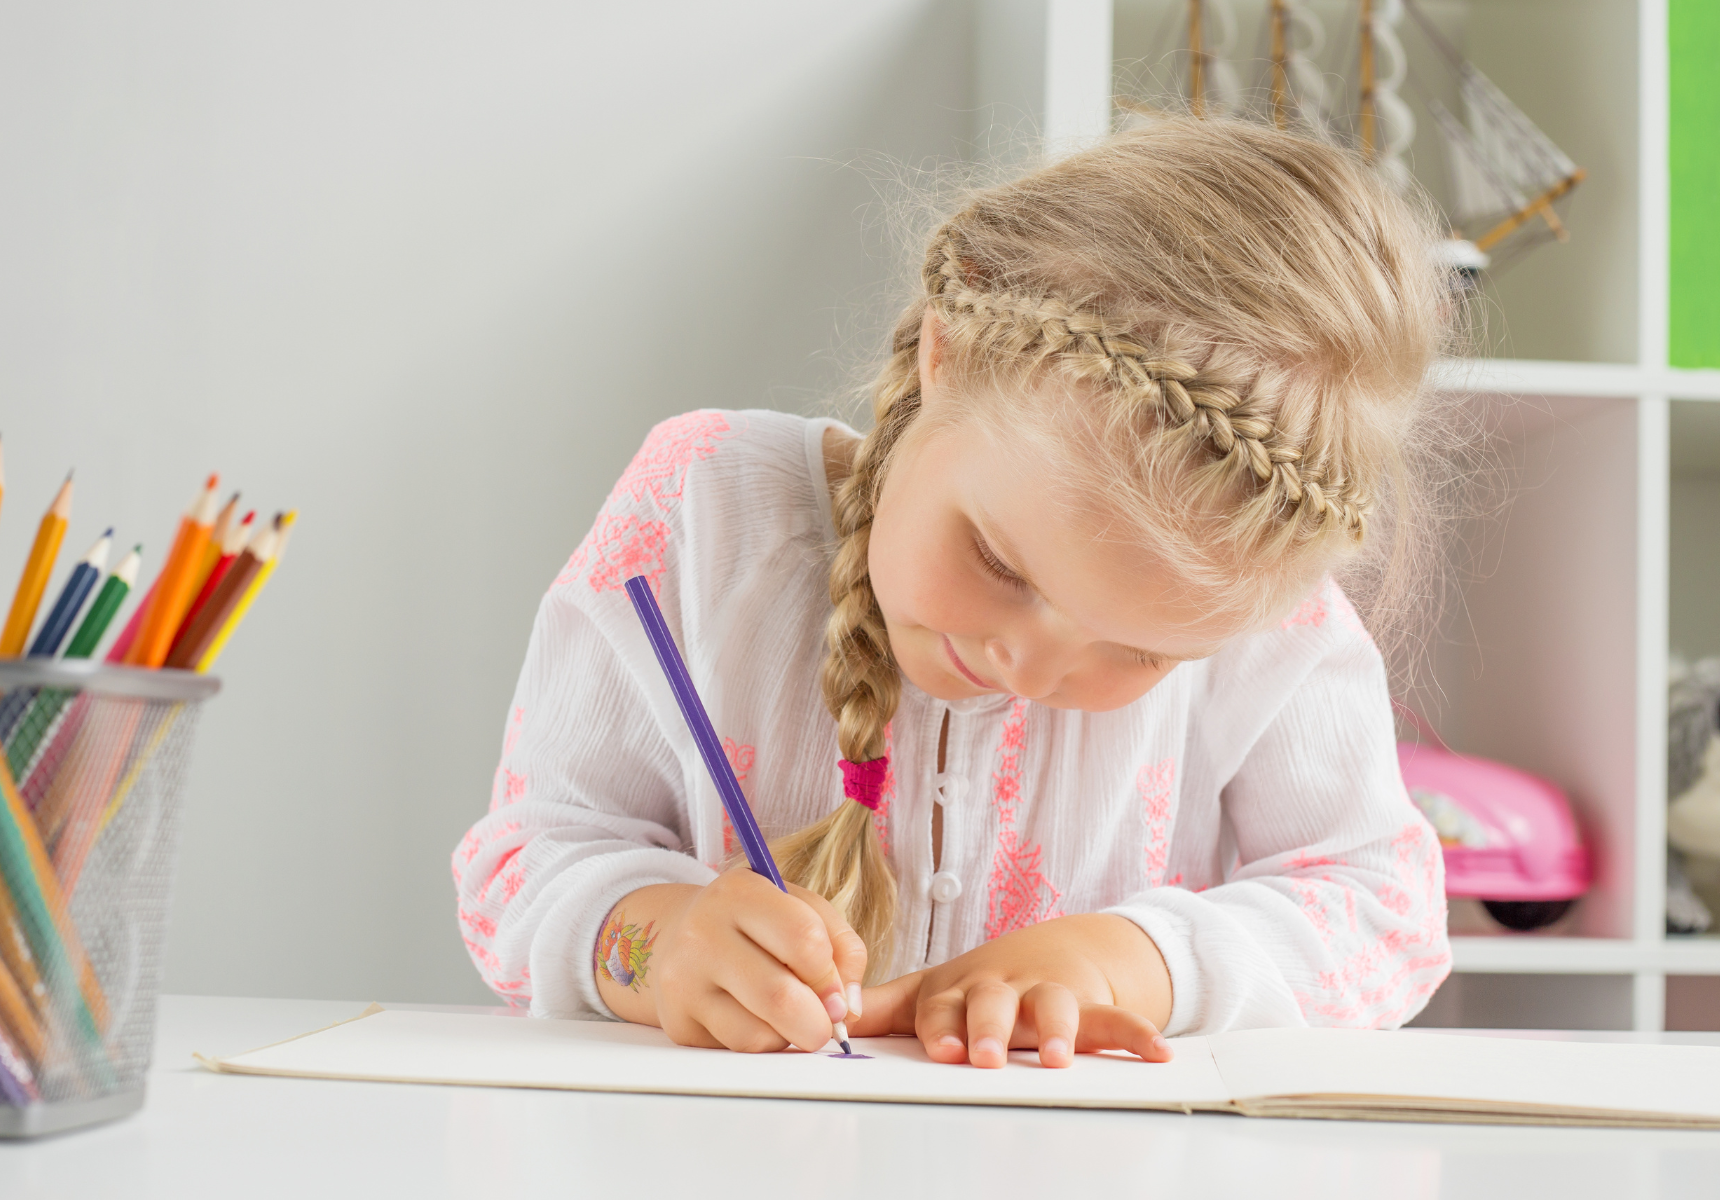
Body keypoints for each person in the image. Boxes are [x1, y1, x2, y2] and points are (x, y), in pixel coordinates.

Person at [454, 117, 1452, 1069]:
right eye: (1004, 566)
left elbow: (1384, 909)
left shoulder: (1259, 601)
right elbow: (522, 867)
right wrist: (656, 940)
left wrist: (1128, 964)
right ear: (948, 351)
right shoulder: (706, 509)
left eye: (1142, 652)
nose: (1034, 662)